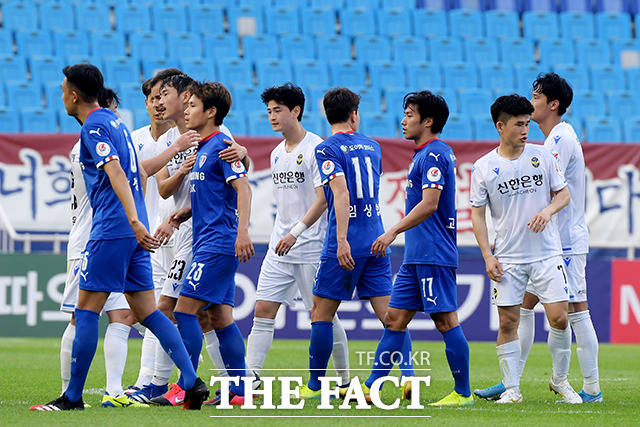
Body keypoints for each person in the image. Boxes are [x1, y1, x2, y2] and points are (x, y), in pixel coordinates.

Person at [31, 64, 208, 411]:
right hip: (133, 231)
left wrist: (131, 219)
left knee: (85, 312)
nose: (62, 96)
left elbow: (115, 171)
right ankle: (191, 381)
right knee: (149, 313)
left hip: (113, 229)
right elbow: (137, 171)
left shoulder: (95, 127)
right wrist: (138, 221)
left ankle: (72, 397)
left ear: (74, 94)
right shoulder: (118, 123)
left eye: (63, 89)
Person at [474, 73, 601, 403]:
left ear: (552, 104)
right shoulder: (545, 141)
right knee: (524, 309)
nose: (531, 104)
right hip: (536, 244)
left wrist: (544, 212)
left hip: (563, 240)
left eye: (536, 96)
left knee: (574, 312)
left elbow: (555, 189)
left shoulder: (556, 141)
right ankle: (510, 382)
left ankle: (590, 388)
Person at [136, 74, 247, 406]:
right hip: (198, 235)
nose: (184, 109)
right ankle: (240, 390)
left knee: (179, 311)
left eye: (191, 104)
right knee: (218, 317)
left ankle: (183, 385)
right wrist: (184, 212)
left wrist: (242, 231)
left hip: (213, 242)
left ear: (207, 110)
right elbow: (183, 188)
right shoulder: (188, 142)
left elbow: (242, 182)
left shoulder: (217, 141)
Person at [365, 91, 472, 406]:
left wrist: (392, 231)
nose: (403, 120)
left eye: (410, 114)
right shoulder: (424, 153)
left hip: (433, 253)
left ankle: (463, 393)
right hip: (416, 255)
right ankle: (373, 385)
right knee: (394, 319)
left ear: (428, 121)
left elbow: (430, 204)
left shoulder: (435, 154)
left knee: (445, 321)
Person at [245, 83, 350, 389]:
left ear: (296, 111)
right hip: (281, 247)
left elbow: (323, 198)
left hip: (310, 246)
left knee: (324, 316)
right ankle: (250, 380)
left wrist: (296, 232)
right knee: (263, 310)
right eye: (269, 111)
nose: (272, 116)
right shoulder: (277, 153)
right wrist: (286, 234)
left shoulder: (317, 148)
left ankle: (344, 381)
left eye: (278, 110)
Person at [300, 88, 398, 399]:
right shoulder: (373, 146)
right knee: (391, 317)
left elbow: (341, 194)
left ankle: (315, 385)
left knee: (321, 313)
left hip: (347, 240)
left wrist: (341, 239)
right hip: (376, 237)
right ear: (354, 114)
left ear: (326, 115)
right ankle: (407, 376)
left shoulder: (326, 149)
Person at [57, 88, 141, 408]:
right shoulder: (89, 143)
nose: (117, 116)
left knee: (122, 315)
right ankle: (68, 391)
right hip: (89, 239)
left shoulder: (95, 138)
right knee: (81, 316)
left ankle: (115, 392)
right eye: (114, 108)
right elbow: (117, 177)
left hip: (112, 239)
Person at [126, 68, 195, 396]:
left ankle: (156, 384)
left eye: (163, 96)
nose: (157, 103)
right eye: (152, 98)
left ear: (182, 97)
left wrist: (244, 155)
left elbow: (237, 171)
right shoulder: (161, 140)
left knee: (165, 310)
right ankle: (149, 381)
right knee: (166, 311)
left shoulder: (205, 131)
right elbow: (161, 186)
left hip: (188, 233)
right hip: (156, 234)